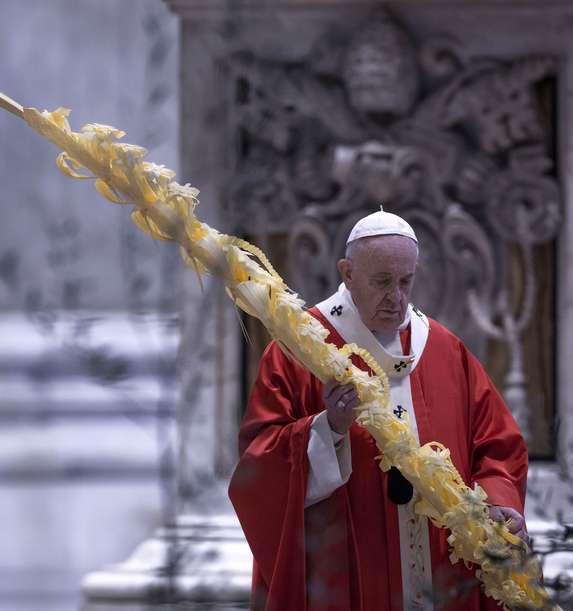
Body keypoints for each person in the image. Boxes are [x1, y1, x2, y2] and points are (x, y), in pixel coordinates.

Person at [227, 210, 529, 611]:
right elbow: (256, 468)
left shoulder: (443, 349)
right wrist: (326, 429)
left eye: (406, 281)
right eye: (382, 282)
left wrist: (498, 503)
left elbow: (496, 448)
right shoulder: (300, 347)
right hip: (347, 577)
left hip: (443, 577)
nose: (397, 297)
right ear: (348, 273)